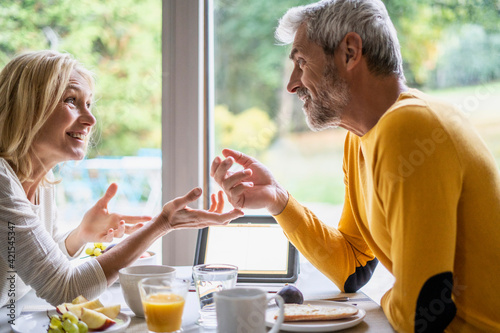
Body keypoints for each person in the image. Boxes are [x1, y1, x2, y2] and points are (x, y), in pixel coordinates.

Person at [210, 1, 500, 332]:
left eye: (302, 62)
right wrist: (278, 200)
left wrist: (390, 298)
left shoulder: (412, 127)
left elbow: (423, 312)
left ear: (350, 52)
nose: (292, 84)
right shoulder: (360, 140)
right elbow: (353, 267)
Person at [0, 50, 243, 307]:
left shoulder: (42, 179)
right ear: (25, 106)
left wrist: (80, 236)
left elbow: (33, 266)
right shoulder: (3, 183)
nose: (91, 119)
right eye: (71, 100)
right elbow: (64, 288)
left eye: (89, 104)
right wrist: (163, 223)